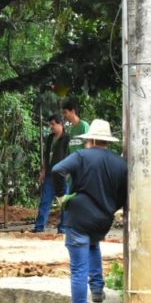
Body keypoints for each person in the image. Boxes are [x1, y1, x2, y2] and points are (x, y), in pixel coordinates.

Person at [51, 119, 127, 303]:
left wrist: (60, 195)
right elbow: (123, 195)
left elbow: (57, 170)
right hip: (102, 220)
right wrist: (111, 207)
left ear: (92, 140)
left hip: (78, 218)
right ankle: (97, 290)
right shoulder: (120, 164)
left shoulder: (82, 156)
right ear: (107, 141)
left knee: (78, 271)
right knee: (93, 245)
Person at [33, 114, 69, 233]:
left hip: (63, 175)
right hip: (49, 174)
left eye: (53, 124)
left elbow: (71, 156)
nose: (51, 127)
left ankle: (63, 229)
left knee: (64, 203)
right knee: (45, 200)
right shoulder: (50, 138)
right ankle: (39, 227)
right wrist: (43, 171)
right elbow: (46, 156)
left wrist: (69, 173)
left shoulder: (67, 138)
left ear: (60, 124)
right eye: (50, 125)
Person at [59, 99, 90, 231]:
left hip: (82, 169)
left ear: (73, 111)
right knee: (72, 197)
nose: (64, 115)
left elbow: (88, 146)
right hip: (73, 171)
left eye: (66, 112)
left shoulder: (83, 126)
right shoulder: (71, 130)